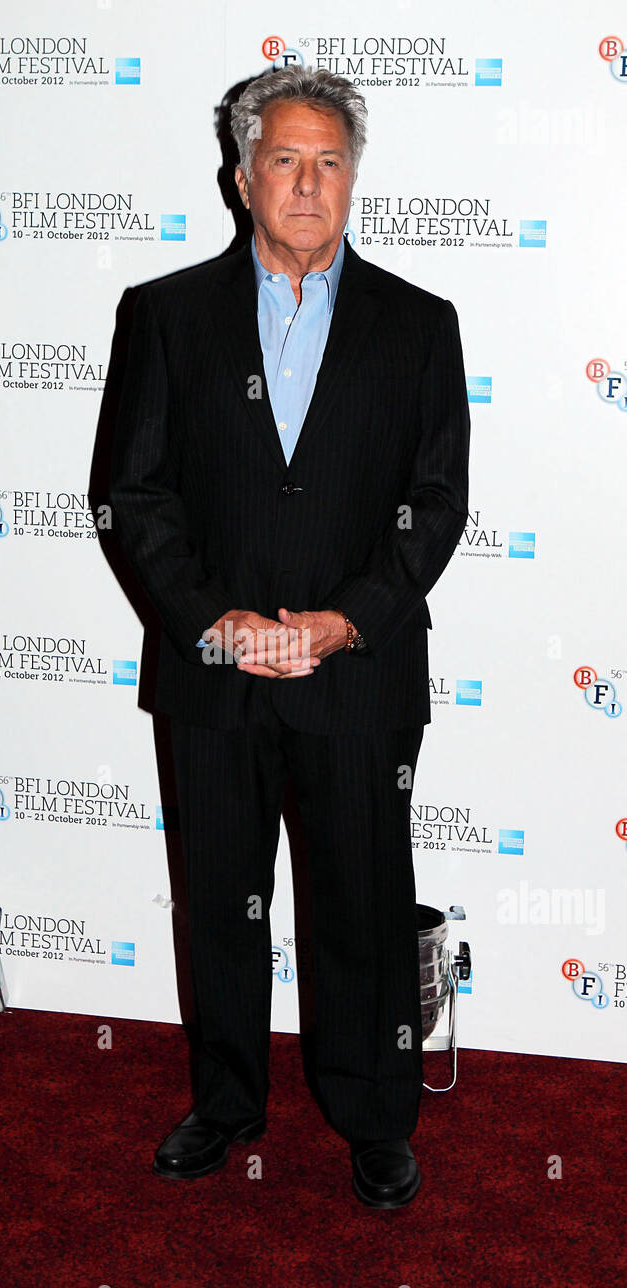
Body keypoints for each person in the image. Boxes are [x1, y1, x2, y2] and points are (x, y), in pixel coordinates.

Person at [108, 66, 470, 1208]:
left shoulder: (419, 327)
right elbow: (134, 493)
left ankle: (374, 1113)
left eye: (328, 162)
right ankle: (223, 1101)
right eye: (284, 160)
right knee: (219, 897)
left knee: (359, 899)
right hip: (213, 676)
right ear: (242, 176)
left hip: (356, 678)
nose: (307, 183)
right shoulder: (163, 314)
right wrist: (214, 623)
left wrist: (344, 621)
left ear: (352, 179)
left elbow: (437, 499)